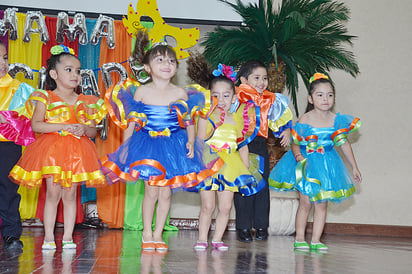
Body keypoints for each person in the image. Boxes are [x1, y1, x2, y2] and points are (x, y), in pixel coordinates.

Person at [101, 31, 215, 252]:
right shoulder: (142, 92)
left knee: (166, 193)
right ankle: (146, 232)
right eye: (160, 59)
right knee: (151, 191)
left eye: (171, 60)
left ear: (175, 68)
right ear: (147, 68)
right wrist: (125, 149)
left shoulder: (180, 92)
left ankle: (158, 233)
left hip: (173, 146)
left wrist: (191, 142)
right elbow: (131, 124)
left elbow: (188, 121)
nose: (167, 63)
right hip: (147, 146)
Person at [9, 45, 107, 250]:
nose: (75, 75)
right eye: (69, 70)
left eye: (78, 71)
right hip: (52, 153)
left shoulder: (85, 101)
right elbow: (36, 125)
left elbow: (92, 132)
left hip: (77, 154)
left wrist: (83, 128)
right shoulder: (45, 97)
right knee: (53, 194)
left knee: (70, 195)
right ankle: (48, 237)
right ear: (54, 74)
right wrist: (63, 126)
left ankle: (69, 237)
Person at [269, 73, 362, 251]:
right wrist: (299, 157)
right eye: (320, 95)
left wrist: (354, 167)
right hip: (307, 164)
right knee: (305, 202)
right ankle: (300, 237)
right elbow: (296, 143)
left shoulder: (336, 120)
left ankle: (317, 240)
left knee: (322, 203)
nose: (325, 99)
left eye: (330, 95)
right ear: (310, 98)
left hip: (327, 165)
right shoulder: (306, 119)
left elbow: (343, 144)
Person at [187, 57, 265, 251]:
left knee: (225, 207)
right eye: (215, 95)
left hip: (232, 166)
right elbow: (199, 140)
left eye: (225, 96)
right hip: (208, 163)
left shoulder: (238, 118)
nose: (220, 100)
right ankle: (202, 238)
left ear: (233, 97)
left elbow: (243, 145)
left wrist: (245, 169)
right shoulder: (205, 117)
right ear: (209, 96)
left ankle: (218, 239)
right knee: (207, 206)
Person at [233, 60, 293, 242]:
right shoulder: (236, 96)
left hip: (260, 145)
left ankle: (261, 227)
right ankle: (243, 227)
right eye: (256, 78)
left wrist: (287, 130)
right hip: (240, 146)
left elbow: (280, 120)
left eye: (264, 78)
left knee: (262, 186)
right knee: (243, 186)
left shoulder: (271, 99)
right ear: (244, 80)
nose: (261, 82)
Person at [0, 40, 35, 251]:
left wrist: (11, 119)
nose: (2, 63)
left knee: (9, 190)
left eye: (4, 58)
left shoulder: (19, 89)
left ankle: (12, 234)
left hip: (8, 147)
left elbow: (26, 116)